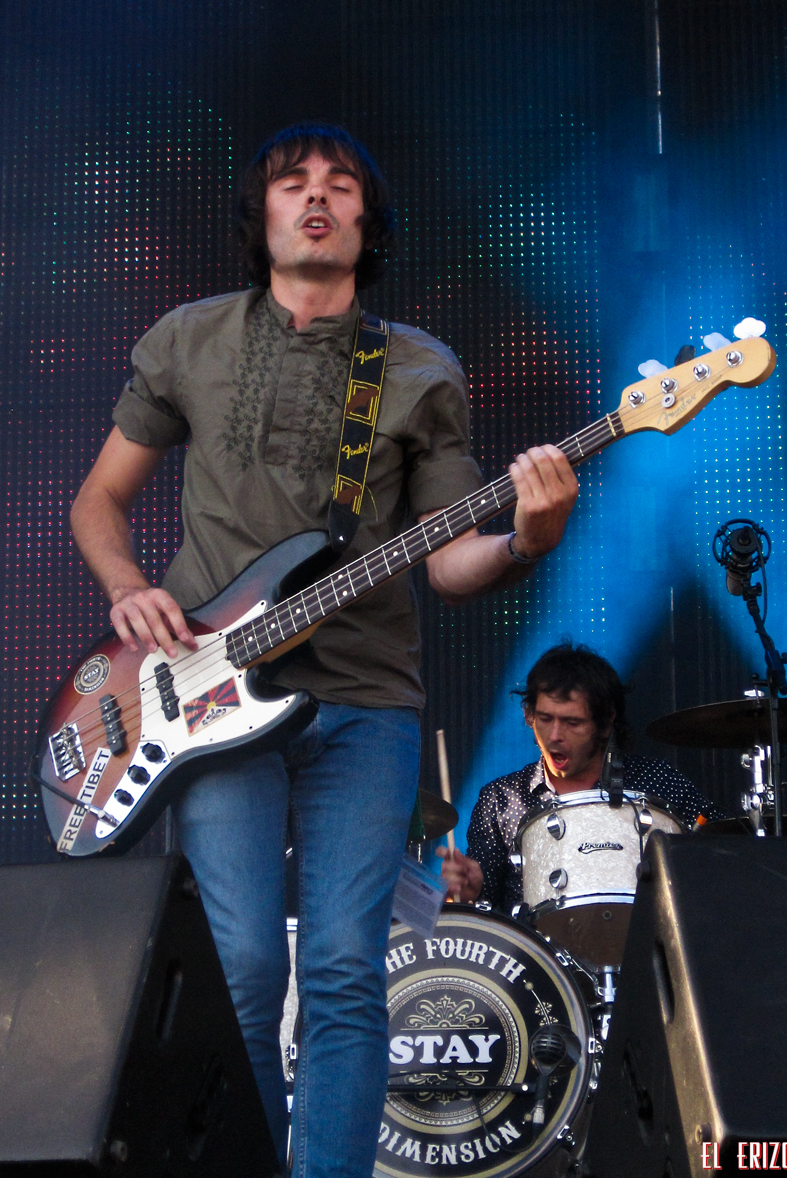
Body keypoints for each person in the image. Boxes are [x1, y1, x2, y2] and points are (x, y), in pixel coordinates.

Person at [68, 123, 579, 1178]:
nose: (316, 198)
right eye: (292, 183)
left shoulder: (417, 368)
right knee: (245, 968)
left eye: (341, 186)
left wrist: (527, 539)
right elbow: (98, 502)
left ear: (366, 221)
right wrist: (127, 588)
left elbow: (449, 559)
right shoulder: (189, 340)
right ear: (260, 215)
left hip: (366, 700)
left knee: (346, 967)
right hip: (209, 701)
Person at [438, 641, 725, 912]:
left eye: (572, 722)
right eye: (545, 719)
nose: (554, 736)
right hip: (533, 947)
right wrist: (467, 890)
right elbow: (480, 914)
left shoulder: (657, 782)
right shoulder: (501, 800)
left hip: (643, 941)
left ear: (605, 723)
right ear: (529, 715)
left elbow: (722, 849)